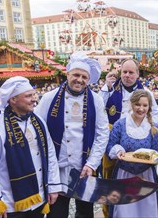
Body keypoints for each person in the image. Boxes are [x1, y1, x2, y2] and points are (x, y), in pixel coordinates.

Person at [35, 52, 110, 218]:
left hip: (84, 169)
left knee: (85, 213)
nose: (80, 80)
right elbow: (37, 130)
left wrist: (91, 164)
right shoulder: (49, 98)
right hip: (58, 169)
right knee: (57, 214)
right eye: (76, 75)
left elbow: (102, 134)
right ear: (67, 74)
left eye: (84, 77)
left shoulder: (96, 100)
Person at [0, 76, 61, 217]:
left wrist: (53, 187)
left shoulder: (38, 120)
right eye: (28, 96)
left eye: (33, 94)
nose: (34, 99)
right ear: (13, 100)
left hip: (39, 198)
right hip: (11, 204)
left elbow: (50, 154)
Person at [100, 58, 158, 217]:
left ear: (137, 74)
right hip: (114, 139)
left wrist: (146, 127)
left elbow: (155, 117)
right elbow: (99, 109)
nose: (127, 75)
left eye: (130, 72)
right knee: (110, 182)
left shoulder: (146, 93)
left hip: (142, 150)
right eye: (124, 72)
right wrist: (106, 87)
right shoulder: (110, 89)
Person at [106, 90, 158, 218]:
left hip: (146, 176)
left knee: (147, 211)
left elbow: (155, 152)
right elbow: (110, 145)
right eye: (138, 104)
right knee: (124, 212)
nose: (141, 108)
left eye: (145, 105)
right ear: (131, 104)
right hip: (124, 174)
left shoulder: (154, 128)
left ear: (149, 107)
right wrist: (118, 150)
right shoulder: (120, 125)